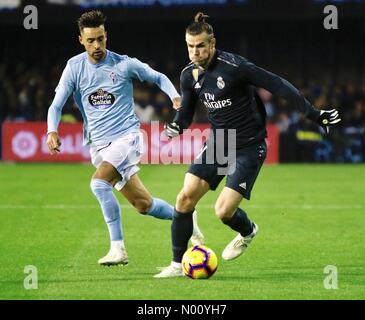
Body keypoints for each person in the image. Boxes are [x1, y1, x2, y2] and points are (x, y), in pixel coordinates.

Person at [154, 12, 341, 278]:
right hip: (221, 141)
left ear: (212, 43)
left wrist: (313, 113)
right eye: (190, 46)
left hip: (250, 146)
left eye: (200, 46)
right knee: (184, 198)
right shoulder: (189, 75)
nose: (195, 52)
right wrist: (177, 125)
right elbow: (186, 112)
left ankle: (248, 231)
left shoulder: (235, 67)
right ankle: (175, 264)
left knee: (223, 211)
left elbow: (279, 85)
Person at [46, 10, 204, 266]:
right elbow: (56, 104)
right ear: (81, 41)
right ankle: (186, 217)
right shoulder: (74, 67)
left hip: (126, 138)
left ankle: (118, 249)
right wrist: (51, 130)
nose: (96, 46)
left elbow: (158, 77)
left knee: (99, 184)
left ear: (106, 36)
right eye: (90, 41)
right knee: (144, 205)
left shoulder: (123, 64)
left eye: (100, 39)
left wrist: (175, 96)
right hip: (98, 145)